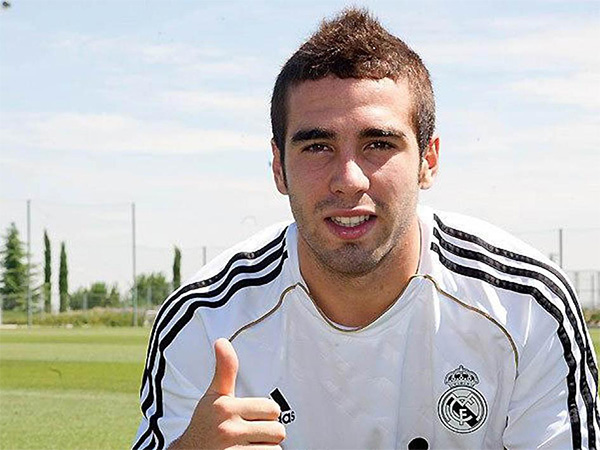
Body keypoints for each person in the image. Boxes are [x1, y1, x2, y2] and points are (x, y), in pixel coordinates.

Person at [132, 8, 599, 450]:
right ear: (278, 167)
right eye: (317, 147)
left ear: (428, 160)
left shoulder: (525, 306)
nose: (349, 179)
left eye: (378, 144)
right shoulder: (204, 319)